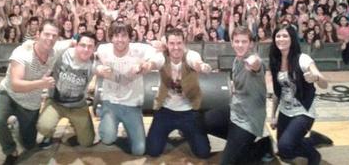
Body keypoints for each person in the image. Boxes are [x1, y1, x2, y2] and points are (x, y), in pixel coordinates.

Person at [0, 19, 72, 165]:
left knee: (29, 145)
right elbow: (16, 85)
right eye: (47, 34)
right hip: (8, 94)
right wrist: (42, 83)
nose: (51, 38)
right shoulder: (22, 53)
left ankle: (15, 125)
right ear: (38, 35)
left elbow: (72, 42)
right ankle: (10, 150)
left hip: (30, 101)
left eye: (54, 35)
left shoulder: (55, 49)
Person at [202, 26, 272, 164]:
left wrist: (253, 62)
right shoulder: (236, 60)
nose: (240, 45)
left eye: (244, 41)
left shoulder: (254, 60)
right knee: (204, 121)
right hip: (235, 111)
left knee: (230, 163)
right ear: (232, 43)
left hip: (249, 120)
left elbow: (257, 63)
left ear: (251, 43)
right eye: (237, 41)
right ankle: (238, 143)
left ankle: (264, 145)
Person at [95, 21, 165, 155]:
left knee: (139, 150)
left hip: (132, 105)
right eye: (116, 36)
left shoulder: (139, 49)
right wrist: (99, 69)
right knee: (107, 138)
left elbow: (160, 56)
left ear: (129, 37)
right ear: (111, 38)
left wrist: (146, 65)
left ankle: (129, 128)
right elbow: (93, 62)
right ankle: (106, 118)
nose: (120, 40)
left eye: (123, 36)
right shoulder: (103, 50)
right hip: (111, 103)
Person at [146, 28, 212, 158]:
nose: (176, 47)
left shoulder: (191, 55)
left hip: (189, 111)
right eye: (172, 43)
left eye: (179, 43)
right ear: (167, 44)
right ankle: (173, 132)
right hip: (165, 110)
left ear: (184, 43)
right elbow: (152, 63)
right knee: (152, 151)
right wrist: (144, 67)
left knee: (203, 153)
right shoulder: (162, 57)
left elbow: (197, 63)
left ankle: (187, 132)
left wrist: (203, 67)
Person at [269, 25, 329, 165]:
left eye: (285, 36)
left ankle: (314, 155)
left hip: (303, 111)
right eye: (278, 36)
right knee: (283, 152)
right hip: (285, 111)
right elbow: (278, 92)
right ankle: (314, 139)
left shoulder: (303, 59)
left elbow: (324, 84)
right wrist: (273, 115)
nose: (281, 39)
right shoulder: (275, 61)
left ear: (292, 39)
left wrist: (316, 78)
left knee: (286, 146)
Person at [37, 31, 97, 149]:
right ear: (76, 44)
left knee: (87, 142)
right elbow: (46, 46)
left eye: (90, 46)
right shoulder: (62, 53)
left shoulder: (94, 61)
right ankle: (48, 135)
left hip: (78, 105)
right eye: (83, 45)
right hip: (56, 102)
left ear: (94, 48)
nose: (86, 49)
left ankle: (76, 126)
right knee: (44, 127)